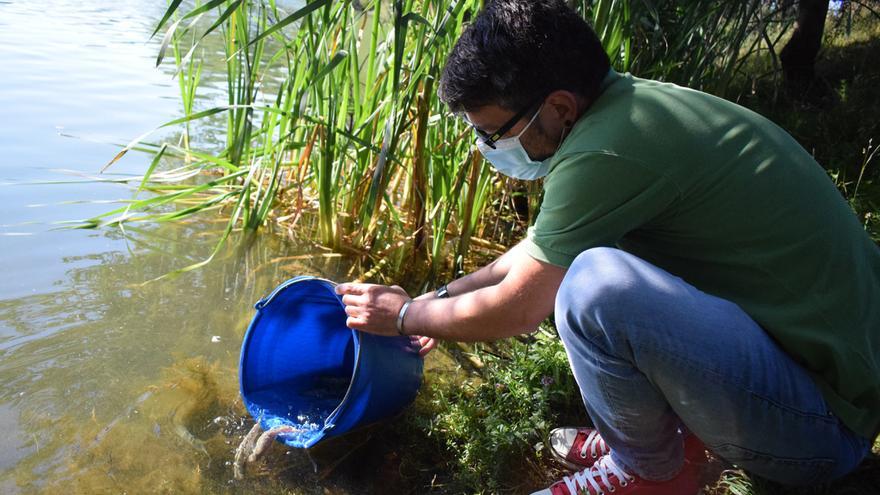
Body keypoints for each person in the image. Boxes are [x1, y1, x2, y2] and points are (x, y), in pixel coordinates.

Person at [335, 1, 880, 493]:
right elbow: (536, 248)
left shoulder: (606, 153)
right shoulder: (628, 113)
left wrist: (405, 317)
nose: (490, 148)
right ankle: (664, 444)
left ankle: (651, 472)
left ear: (559, 108)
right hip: (824, 379)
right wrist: (435, 300)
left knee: (595, 285)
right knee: (584, 262)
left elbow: (522, 307)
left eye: (494, 134)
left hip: (824, 428)